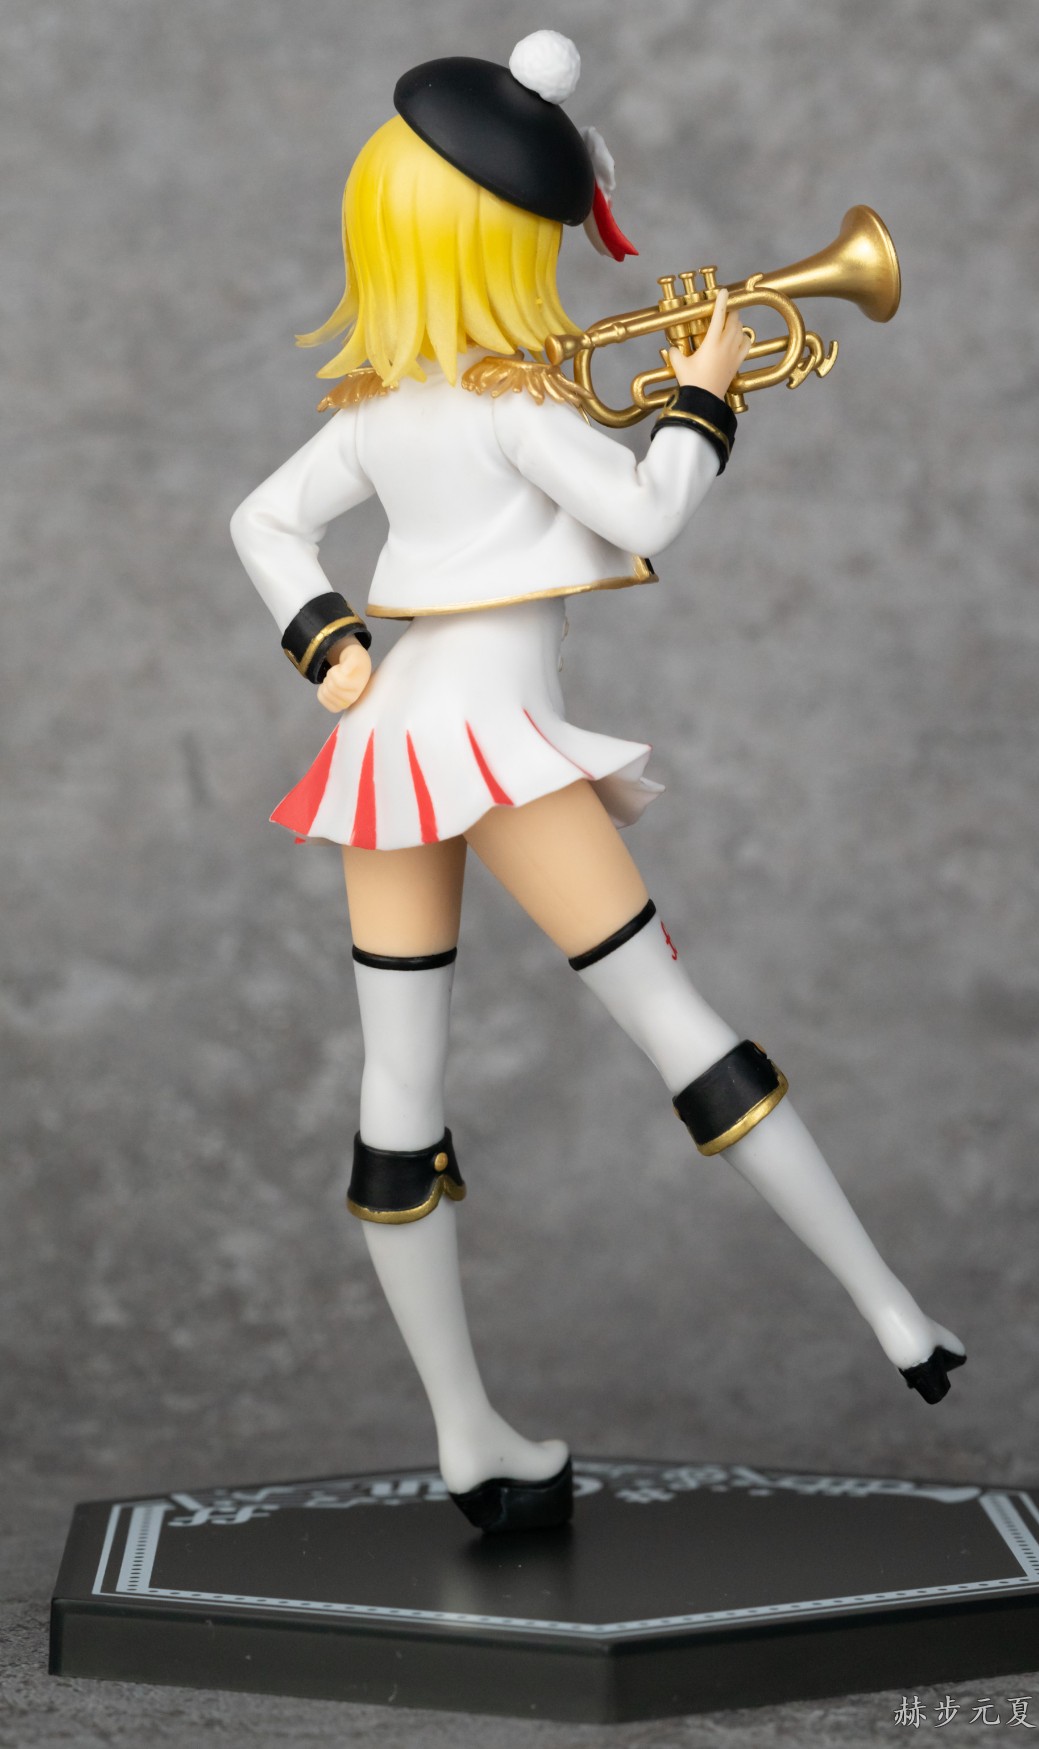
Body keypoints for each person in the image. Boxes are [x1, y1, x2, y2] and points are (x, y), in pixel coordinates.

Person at [231, 31, 964, 1536]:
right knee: (672, 1020)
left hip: (386, 753)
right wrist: (706, 393)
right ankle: (891, 1308)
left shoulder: (378, 406)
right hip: (492, 746)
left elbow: (262, 525)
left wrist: (328, 643)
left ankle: (464, 1432)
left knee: (398, 1089)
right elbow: (645, 512)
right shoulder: (513, 404)